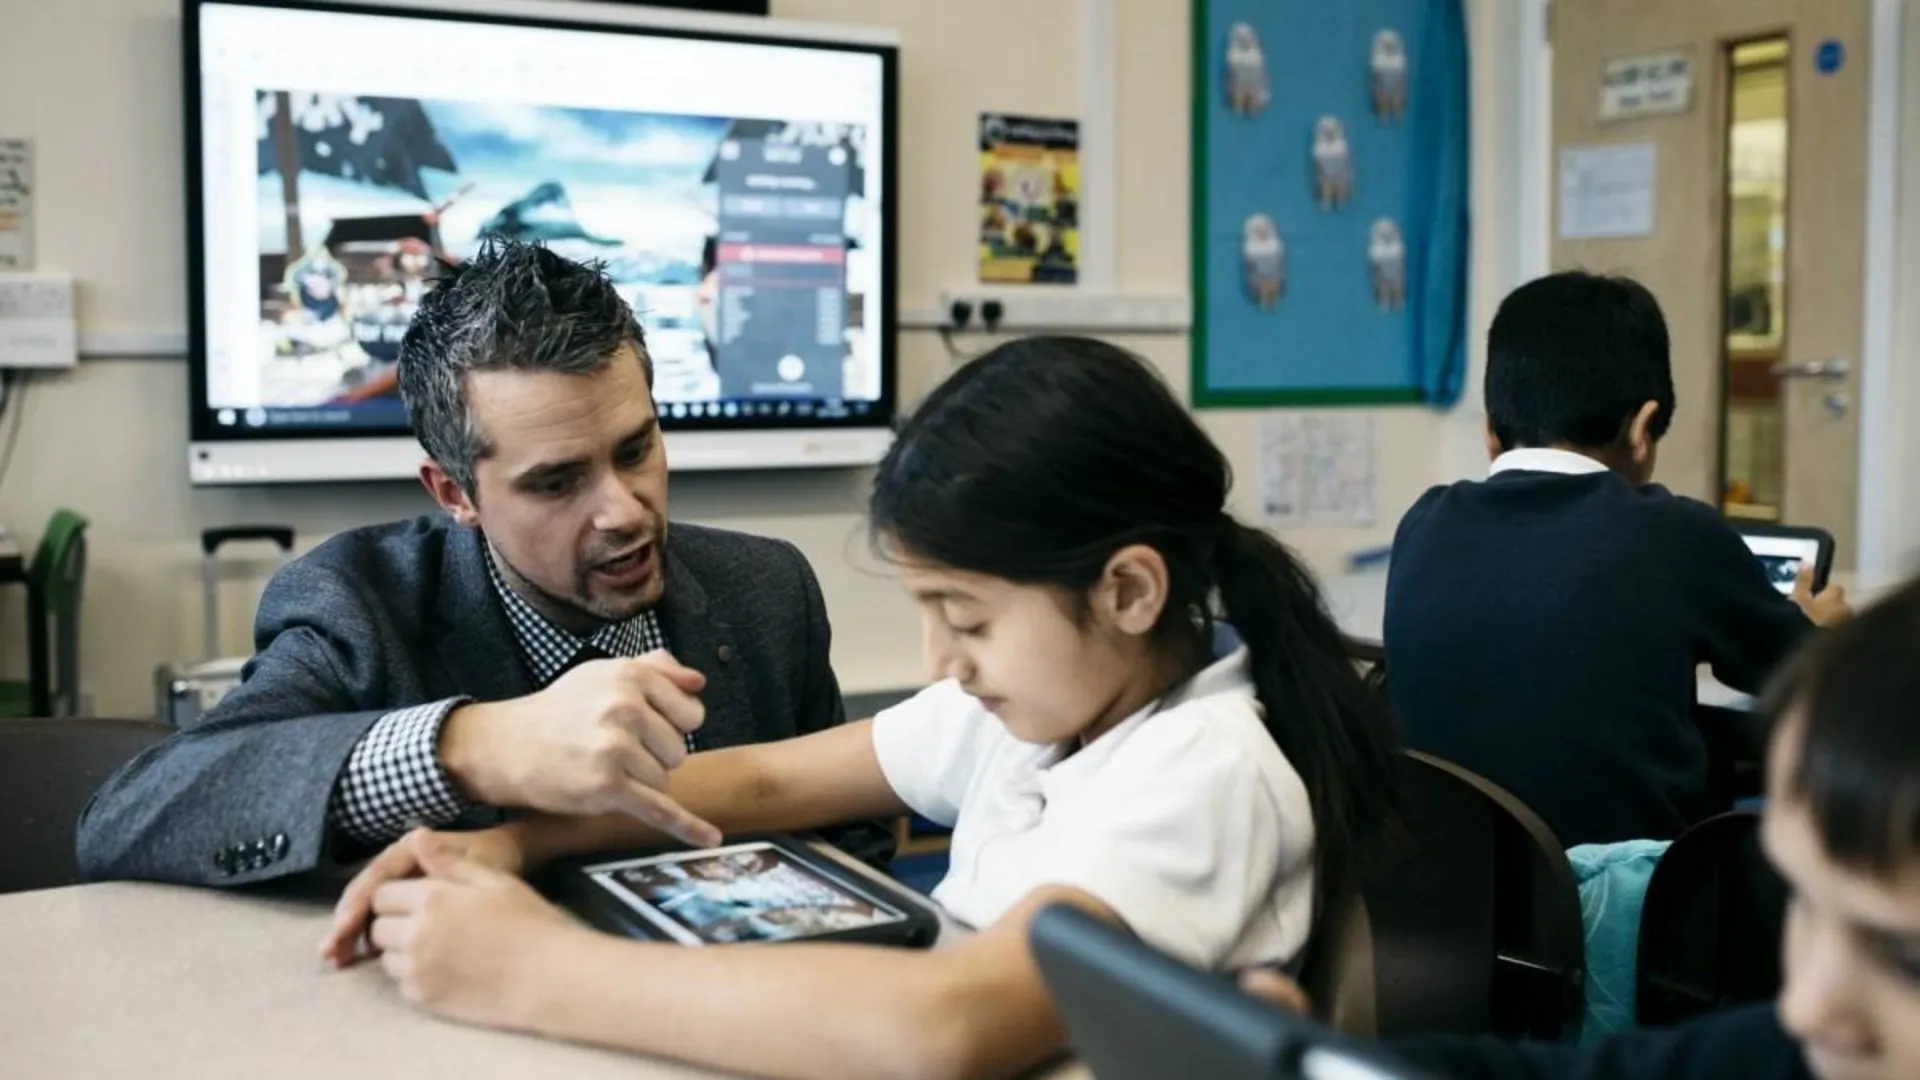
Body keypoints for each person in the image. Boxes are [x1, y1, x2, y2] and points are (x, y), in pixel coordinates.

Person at [320, 336, 1403, 1080]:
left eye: (965, 620)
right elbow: (758, 780)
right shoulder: (1051, 698)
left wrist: (532, 970)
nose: (942, 661)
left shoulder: (1206, 772)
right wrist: (505, 845)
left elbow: (948, 1026)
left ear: (1126, 592)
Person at [76, 240, 889, 885]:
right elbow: (134, 816)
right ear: (454, 492)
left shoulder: (768, 589)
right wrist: (464, 747)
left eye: (636, 449)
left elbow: (851, 849)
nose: (624, 510)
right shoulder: (358, 606)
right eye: (557, 481)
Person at [1245, 573, 1920, 1080]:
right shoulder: (1786, 1055)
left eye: (1904, 960)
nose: (1806, 1006)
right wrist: (1324, 1063)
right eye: (1800, 900)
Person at [1384, 271, 1848, 848]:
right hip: (1622, 912)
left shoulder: (1424, 522)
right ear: (1643, 427)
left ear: (1490, 434)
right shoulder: (1674, 534)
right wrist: (1824, 631)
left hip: (1456, 907)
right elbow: (1798, 675)